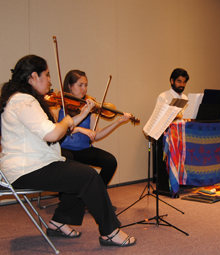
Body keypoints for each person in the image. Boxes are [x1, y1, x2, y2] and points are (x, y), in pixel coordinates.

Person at [0, 55, 136, 247]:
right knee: (88, 176)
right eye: (46, 75)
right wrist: (65, 121)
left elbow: (57, 130)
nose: (49, 80)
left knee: (78, 174)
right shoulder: (24, 101)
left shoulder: (23, 100)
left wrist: (78, 116)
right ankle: (110, 232)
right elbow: (53, 133)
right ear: (33, 76)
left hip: (33, 164)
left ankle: (58, 223)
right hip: (26, 169)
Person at [52, 70, 132, 189]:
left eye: (86, 85)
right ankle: (71, 200)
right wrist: (79, 129)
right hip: (64, 149)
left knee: (110, 161)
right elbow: (55, 129)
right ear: (69, 86)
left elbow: (96, 134)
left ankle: (94, 194)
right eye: (80, 85)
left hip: (84, 149)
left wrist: (117, 122)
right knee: (69, 161)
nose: (84, 89)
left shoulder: (89, 106)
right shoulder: (58, 104)